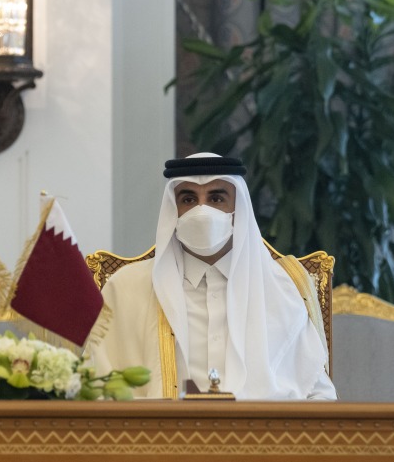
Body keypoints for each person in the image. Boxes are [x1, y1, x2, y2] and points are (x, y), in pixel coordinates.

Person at [86, 152, 336, 400]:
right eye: (188, 199)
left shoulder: (283, 287)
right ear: (174, 211)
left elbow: (320, 396)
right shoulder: (128, 288)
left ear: (238, 209)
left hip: (261, 436)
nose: (202, 211)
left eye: (216, 198)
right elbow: (96, 390)